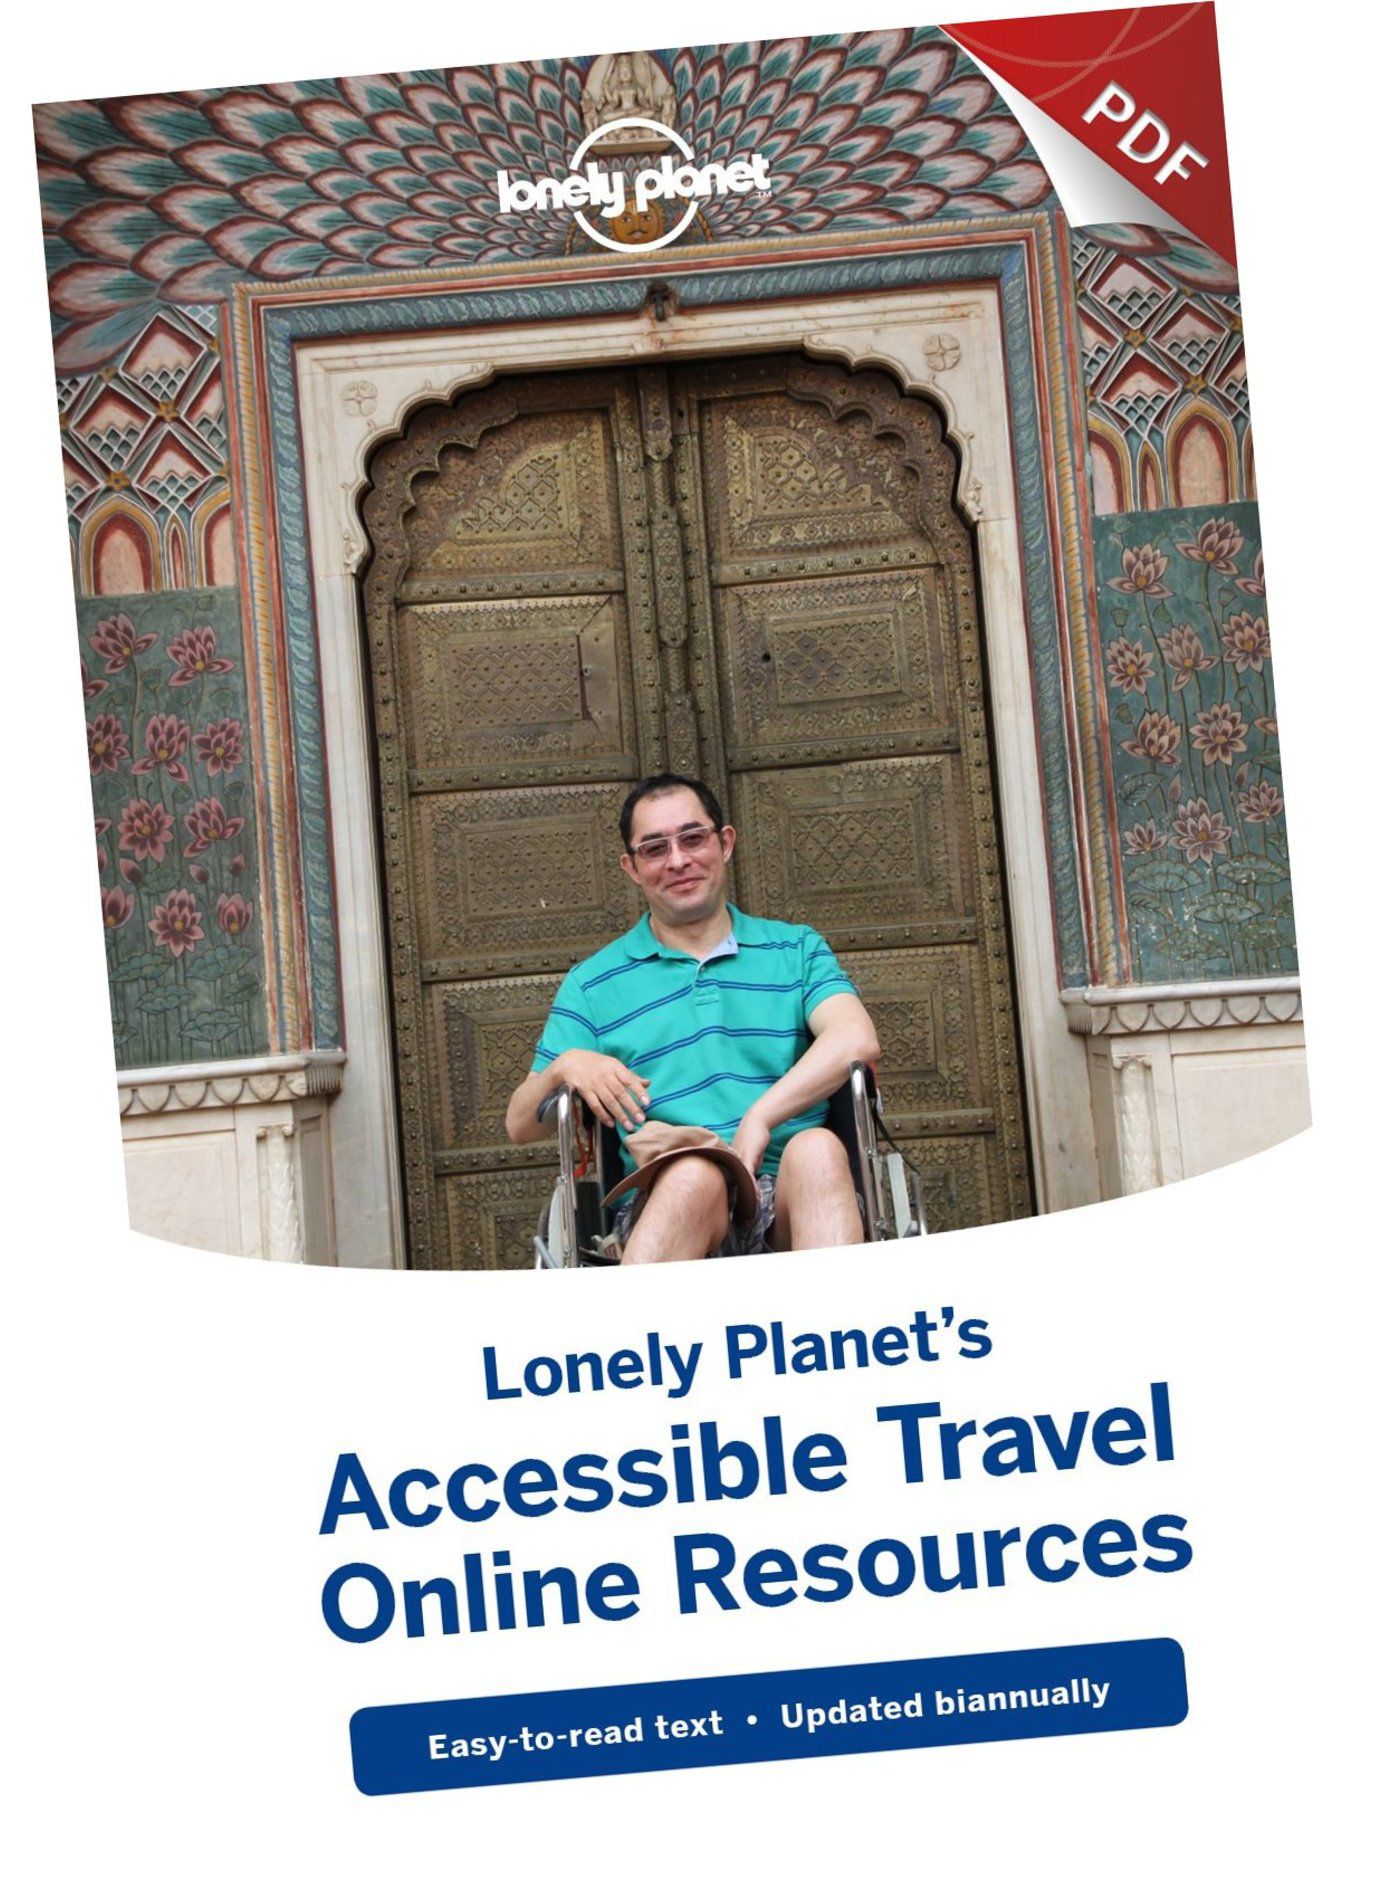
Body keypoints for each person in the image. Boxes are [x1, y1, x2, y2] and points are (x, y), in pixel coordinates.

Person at [505, 774, 881, 1264]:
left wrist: (759, 1118)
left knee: (817, 1149)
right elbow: (519, 1125)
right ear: (632, 868)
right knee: (694, 1173)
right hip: (668, 1195)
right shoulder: (593, 985)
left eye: (693, 838)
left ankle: (836, 1330)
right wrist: (565, 1065)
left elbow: (856, 1036)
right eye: (655, 848)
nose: (678, 860)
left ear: (724, 843)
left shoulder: (795, 948)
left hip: (790, 1192)